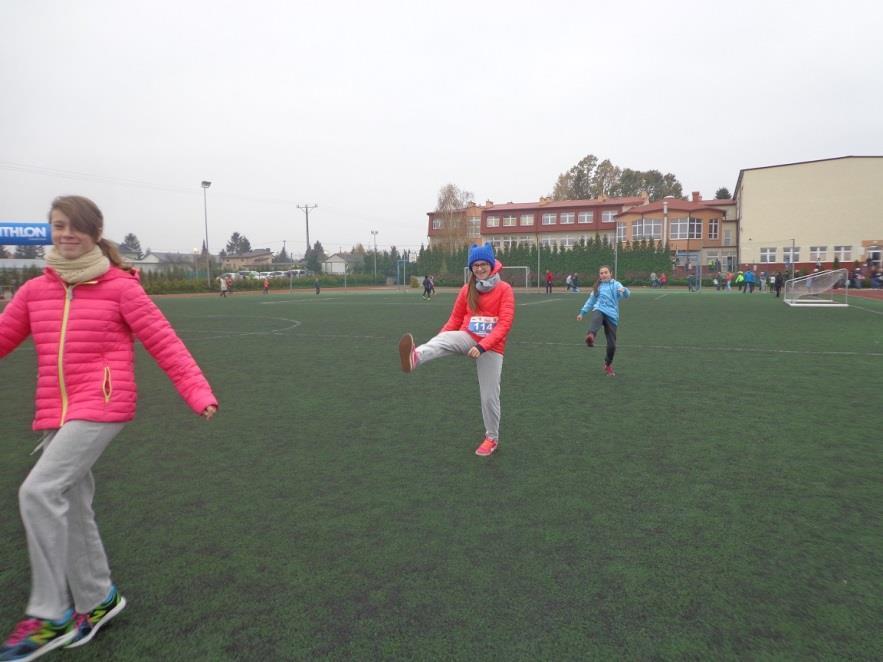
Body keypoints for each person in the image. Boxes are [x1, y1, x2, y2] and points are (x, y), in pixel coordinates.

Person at [0, 196, 218, 661]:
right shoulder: (36, 291)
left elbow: (165, 343)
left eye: (76, 227)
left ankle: (49, 614)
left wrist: (198, 393)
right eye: (58, 226)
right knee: (71, 501)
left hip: (101, 404)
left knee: (38, 493)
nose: (66, 234)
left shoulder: (120, 288)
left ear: (95, 233)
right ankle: (98, 599)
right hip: (57, 411)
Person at [397, 243, 515, 457]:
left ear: (491, 265)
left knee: (489, 396)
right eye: (475, 265)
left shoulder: (504, 289)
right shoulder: (467, 289)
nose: (479, 269)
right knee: (442, 341)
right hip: (467, 337)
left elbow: (504, 325)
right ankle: (415, 357)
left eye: (483, 264)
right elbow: (455, 319)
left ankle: (492, 438)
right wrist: (442, 337)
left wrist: (483, 346)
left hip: (491, 347)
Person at [577, 265, 630, 377]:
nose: (603, 274)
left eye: (606, 272)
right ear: (599, 276)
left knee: (612, 346)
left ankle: (608, 364)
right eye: (601, 273)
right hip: (600, 309)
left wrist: (624, 290)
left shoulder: (616, 285)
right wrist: (582, 312)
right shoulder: (598, 287)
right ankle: (591, 336)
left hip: (612, 316)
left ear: (611, 273)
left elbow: (626, 295)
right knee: (597, 316)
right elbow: (591, 301)